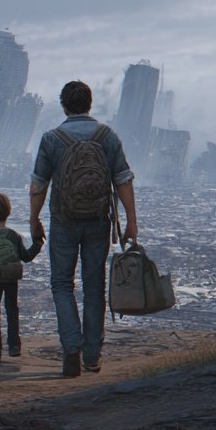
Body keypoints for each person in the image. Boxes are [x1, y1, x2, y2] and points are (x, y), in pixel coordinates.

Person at [29, 80, 138, 378]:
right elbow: (124, 180)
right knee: (94, 287)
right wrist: (131, 222)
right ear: (90, 104)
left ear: (64, 105)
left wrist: (33, 219)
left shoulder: (52, 139)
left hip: (63, 221)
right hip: (98, 221)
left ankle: (71, 352)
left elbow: (39, 185)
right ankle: (92, 356)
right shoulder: (107, 136)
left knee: (62, 285)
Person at [0, 192, 44, 361]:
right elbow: (26, 257)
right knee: (12, 311)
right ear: (9, 211)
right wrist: (38, 243)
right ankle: (14, 347)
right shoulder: (14, 236)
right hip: (11, 279)